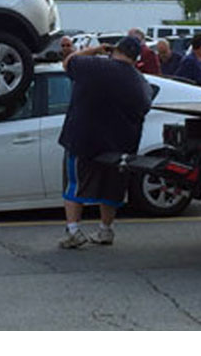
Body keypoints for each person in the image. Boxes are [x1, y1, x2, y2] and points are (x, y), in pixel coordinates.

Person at [58, 37, 153, 248]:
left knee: (74, 184)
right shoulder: (141, 82)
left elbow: (68, 62)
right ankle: (105, 230)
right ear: (136, 58)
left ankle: (73, 231)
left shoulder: (94, 65)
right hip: (120, 144)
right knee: (111, 187)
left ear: (114, 50)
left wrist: (95, 49)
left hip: (83, 140)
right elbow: (145, 107)